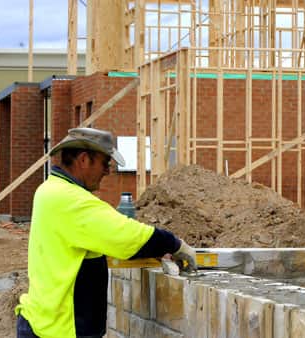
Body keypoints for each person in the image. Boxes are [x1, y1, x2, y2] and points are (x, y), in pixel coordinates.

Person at [15, 127, 197, 338]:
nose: (107, 171)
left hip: (44, 321)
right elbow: (128, 235)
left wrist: (146, 252)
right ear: (84, 160)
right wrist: (175, 245)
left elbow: (96, 243)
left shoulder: (50, 190)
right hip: (60, 329)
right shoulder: (71, 200)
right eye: (104, 163)